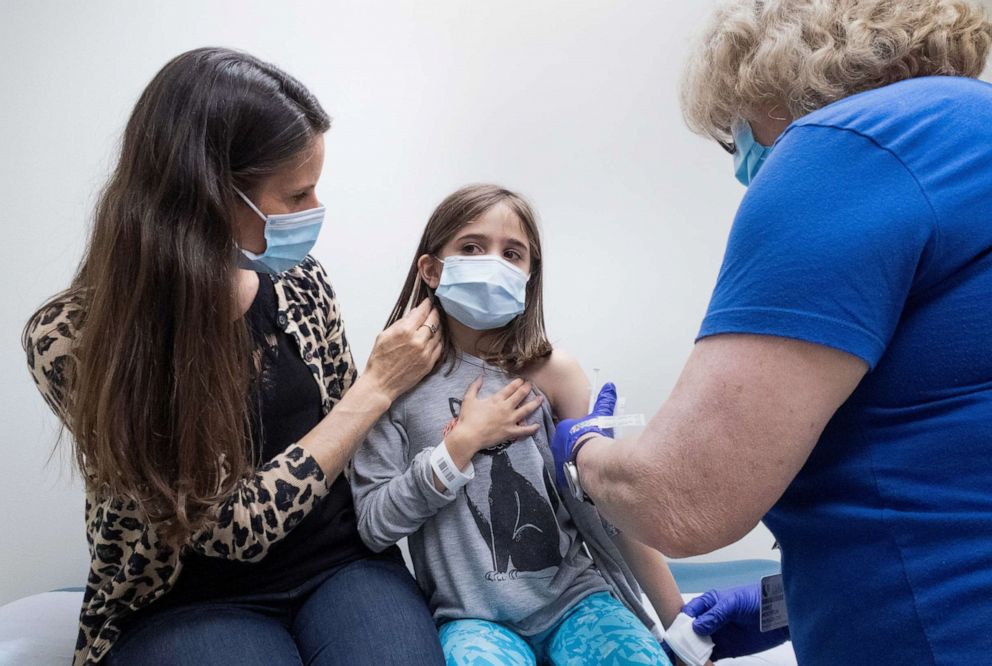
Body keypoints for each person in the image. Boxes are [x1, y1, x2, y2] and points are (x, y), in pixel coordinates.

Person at [550, 1, 992, 664]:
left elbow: (681, 496)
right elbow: (944, 462)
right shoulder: (967, 136)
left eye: (734, 135)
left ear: (769, 74)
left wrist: (582, 454)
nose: (740, 161)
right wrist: (776, 603)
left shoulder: (844, 148)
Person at [23, 47, 447, 665]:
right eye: (296, 194)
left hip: (339, 563)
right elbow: (230, 527)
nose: (315, 212)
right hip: (185, 598)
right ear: (209, 195)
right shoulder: (72, 340)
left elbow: (359, 453)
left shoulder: (301, 283)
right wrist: (378, 386)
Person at [350, 184, 687, 666]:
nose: (493, 263)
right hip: (471, 620)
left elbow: (609, 515)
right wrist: (459, 447)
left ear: (530, 275)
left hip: (575, 601)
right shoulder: (395, 383)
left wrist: (682, 629)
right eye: (471, 247)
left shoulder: (554, 374)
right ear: (431, 269)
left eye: (513, 253)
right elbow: (374, 525)